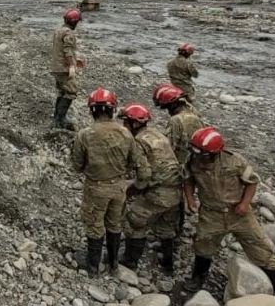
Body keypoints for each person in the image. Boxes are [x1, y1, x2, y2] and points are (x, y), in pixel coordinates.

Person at [184, 127, 275, 303]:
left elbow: (251, 182)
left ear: (215, 152)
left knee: (261, 249)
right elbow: (189, 180)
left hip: (238, 214)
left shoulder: (234, 161)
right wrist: (190, 199)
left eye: (204, 155)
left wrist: (245, 203)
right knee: (203, 246)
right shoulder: (193, 160)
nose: (200, 158)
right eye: (197, 153)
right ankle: (198, 278)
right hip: (210, 214)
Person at [72, 88, 149, 275]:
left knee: (95, 225)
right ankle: (113, 265)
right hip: (118, 187)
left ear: (92, 110)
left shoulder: (84, 134)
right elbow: (137, 163)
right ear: (113, 109)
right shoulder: (126, 133)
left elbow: (77, 165)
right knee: (114, 224)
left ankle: (92, 267)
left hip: (96, 187)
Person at [120, 103, 182, 273]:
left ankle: (130, 261)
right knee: (166, 227)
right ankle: (167, 265)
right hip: (176, 190)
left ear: (134, 123)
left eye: (125, 122)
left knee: (134, 221)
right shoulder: (156, 135)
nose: (124, 126)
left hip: (159, 192)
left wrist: (134, 188)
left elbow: (145, 174)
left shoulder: (139, 141)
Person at [153, 84, 205, 168]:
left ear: (172, 105)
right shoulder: (192, 111)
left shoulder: (176, 120)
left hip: (184, 164)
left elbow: (170, 147)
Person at [51, 8, 83, 130]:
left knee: (62, 91)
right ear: (74, 22)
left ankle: (56, 117)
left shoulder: (58, 30)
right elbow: (67, 51)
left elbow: (61, 49)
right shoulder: (68, 33)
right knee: (71, 92)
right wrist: (71, 65)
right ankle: (61, 119)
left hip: (56, 67)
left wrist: (76, 60)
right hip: (63, 68)